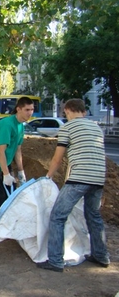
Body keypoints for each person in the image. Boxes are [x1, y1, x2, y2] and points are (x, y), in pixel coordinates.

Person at [37, 99, 110, 272]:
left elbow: (58, 158)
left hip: (79, 179)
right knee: (94, 216)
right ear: (83, 111)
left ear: (68, 110)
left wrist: (48, 177)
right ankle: (101, 256)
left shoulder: (67, 128)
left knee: (57, 216)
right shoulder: (96, 128)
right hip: (98, 178)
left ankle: (55, 261)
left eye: (65, 113)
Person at [0, 97, 33, 225]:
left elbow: (17, 150)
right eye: (27, 109)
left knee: (9, 197)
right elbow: (0, 152)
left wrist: (20, 171)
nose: (30, 113)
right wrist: (6, 174)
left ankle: (3, 226)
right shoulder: (7, 125)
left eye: (32, 109)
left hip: (4, 164)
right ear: (18, 109)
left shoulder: (20, 126)